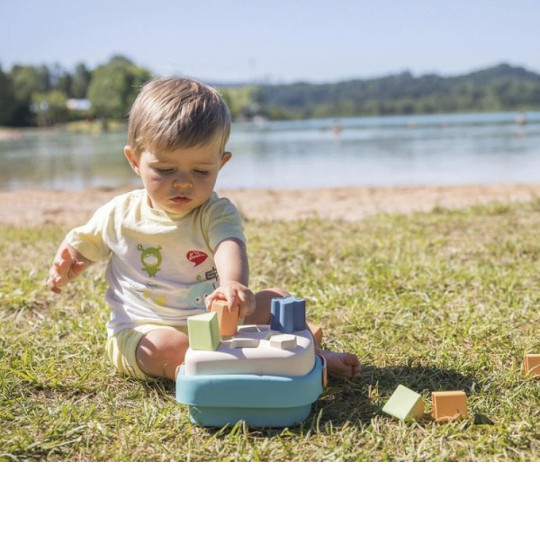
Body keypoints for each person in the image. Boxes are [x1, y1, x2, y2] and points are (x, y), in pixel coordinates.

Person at [47, 77, 360, 382]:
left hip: (217, 322)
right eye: (165, 169)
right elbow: (81, 244)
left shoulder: (215, 212)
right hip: (144, 330)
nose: (183, 182)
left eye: (200, 170)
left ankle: (314, 357)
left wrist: (233, 286)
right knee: (169, 349)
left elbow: (229, 245)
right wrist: (69, 262)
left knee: (277, 301)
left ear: (221, 164)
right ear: (134, 160)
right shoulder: (119, 213)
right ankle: (239, 369)